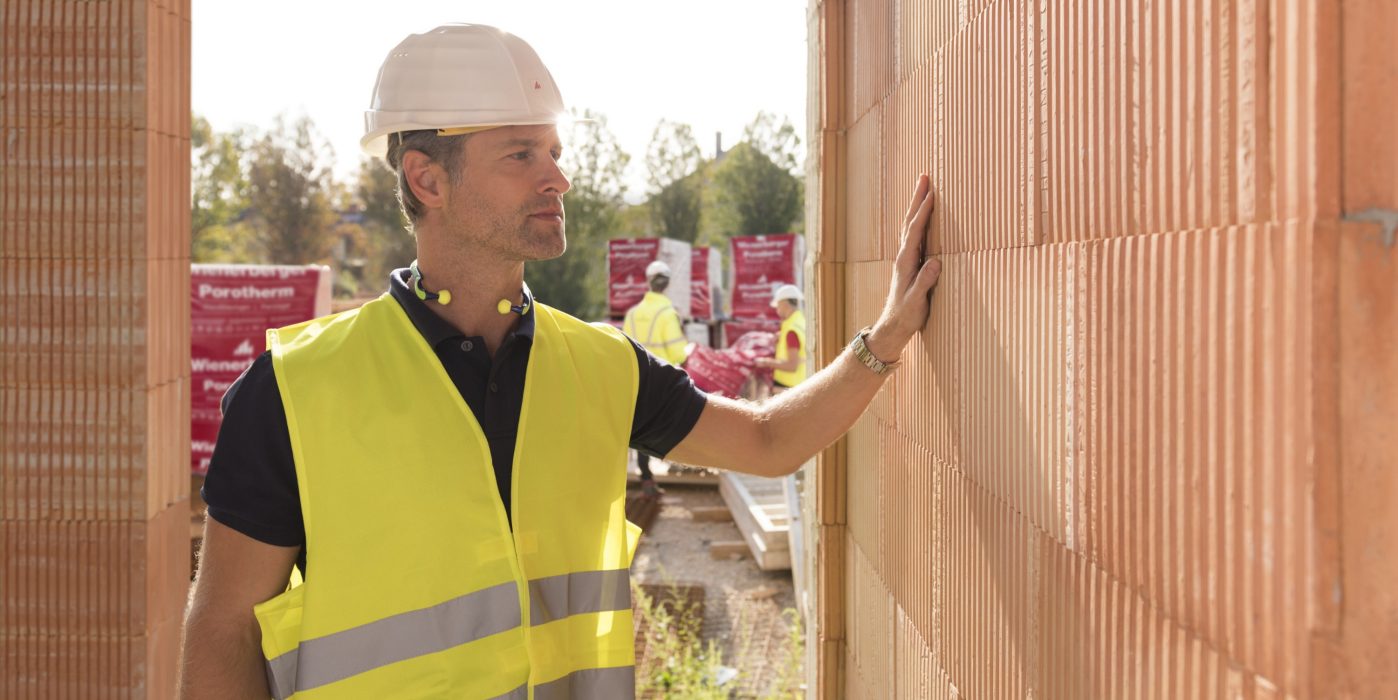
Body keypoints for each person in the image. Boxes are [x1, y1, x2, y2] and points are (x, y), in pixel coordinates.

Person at [178, 23, 941, 700]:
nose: (559, 178)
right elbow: (220, 634)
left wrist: (886, 340)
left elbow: (769, 442)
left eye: (555, 150)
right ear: (427, 178)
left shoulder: (601, 364)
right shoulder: (295, 391)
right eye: (521, 154)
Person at [621, 260, 688, 495]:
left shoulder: (632, 313)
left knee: (638, 426)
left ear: (648, 282)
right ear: (667, 284)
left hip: (635, 377)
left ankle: (646, 476)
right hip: (663, 379)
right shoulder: (667, 313)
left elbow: (623, 345)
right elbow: (678, 352)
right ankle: (678, 463)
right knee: (668, 422)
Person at [755, 283, 807, 392]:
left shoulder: (791, 330)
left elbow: (792, 366)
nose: (777, 309)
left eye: (778, 305)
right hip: (800, 383)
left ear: (784, 304)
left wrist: (765, 362)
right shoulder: (800, 322)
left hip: (788, 387)